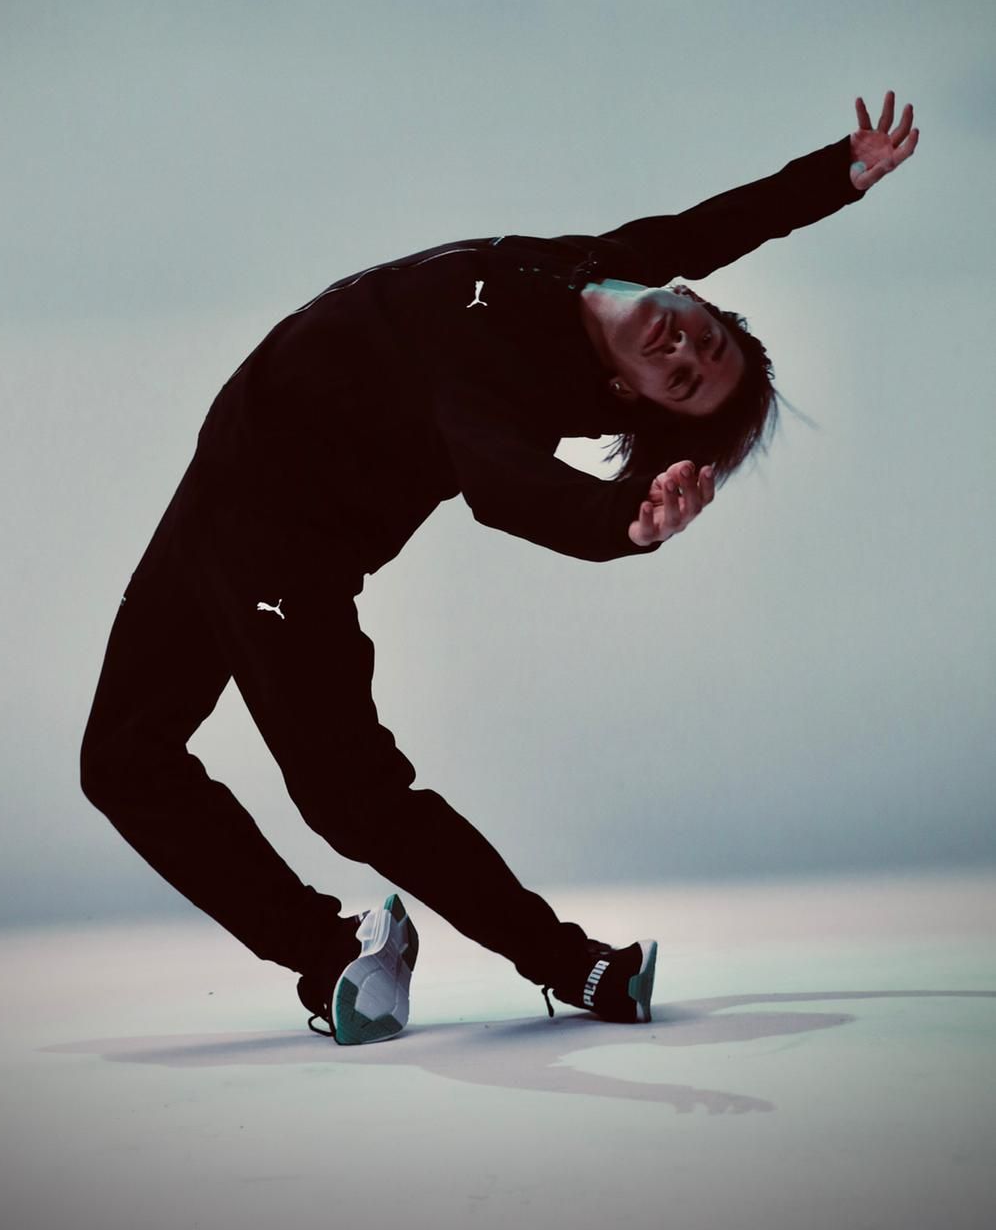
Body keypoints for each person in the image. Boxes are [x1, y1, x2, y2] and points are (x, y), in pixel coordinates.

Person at [80, 92, 919, 1045]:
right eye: (704, 338)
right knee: (123, 760)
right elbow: (716, 225)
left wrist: (623, 523)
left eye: (683, 380)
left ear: (629, 393)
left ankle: (575, 965)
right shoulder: (600, 268)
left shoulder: (526, 379)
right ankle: (338, 947)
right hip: (215, 497)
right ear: (694, 298)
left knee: (348, 798)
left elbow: (506, 485)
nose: (683, 347)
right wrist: (837, 172)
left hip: (282, 547)